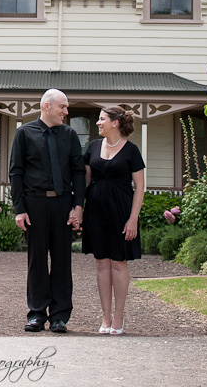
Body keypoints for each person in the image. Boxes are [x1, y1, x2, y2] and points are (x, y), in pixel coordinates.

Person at [9, 89, 86, 333]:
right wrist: (20, 209)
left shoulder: (70, 135)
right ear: (46, 106)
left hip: (63, 204)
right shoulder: (24, 133)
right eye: (62, 107)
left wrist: (78, 206)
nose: (66, 111)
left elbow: (78, 172)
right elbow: (16, 172)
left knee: (63, 261)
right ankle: (37, 314)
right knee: (37, 261)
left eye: (66, 107)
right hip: (35, 204)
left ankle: (60, 317)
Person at [81, 107, 145, 335]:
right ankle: (105, 317)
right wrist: (77, 208)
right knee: (101, 263)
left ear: (115, 123)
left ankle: (119, 318)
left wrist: (133, 219)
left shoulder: (131, 151)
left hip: (121, 214)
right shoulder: (93, 148)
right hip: (96, 214)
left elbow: (139, 188)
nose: (98, 123)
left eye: (101, 119)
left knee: (118, 262)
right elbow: (85, 181)